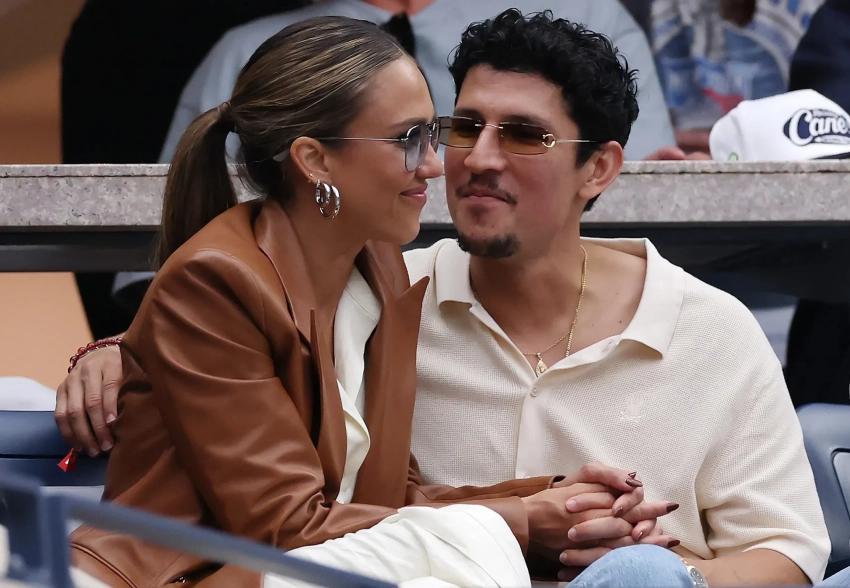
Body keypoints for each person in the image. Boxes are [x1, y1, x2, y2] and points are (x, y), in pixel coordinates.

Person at [57, 9, 830, 585]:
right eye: (457, 128)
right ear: (315, 160)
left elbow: (791, 551)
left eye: (523, 135)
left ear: (599, 169)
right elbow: (285, 508)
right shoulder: (396, 283)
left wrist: (569, 512)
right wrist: (117, 350)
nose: (460, 162)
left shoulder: (383, 276)